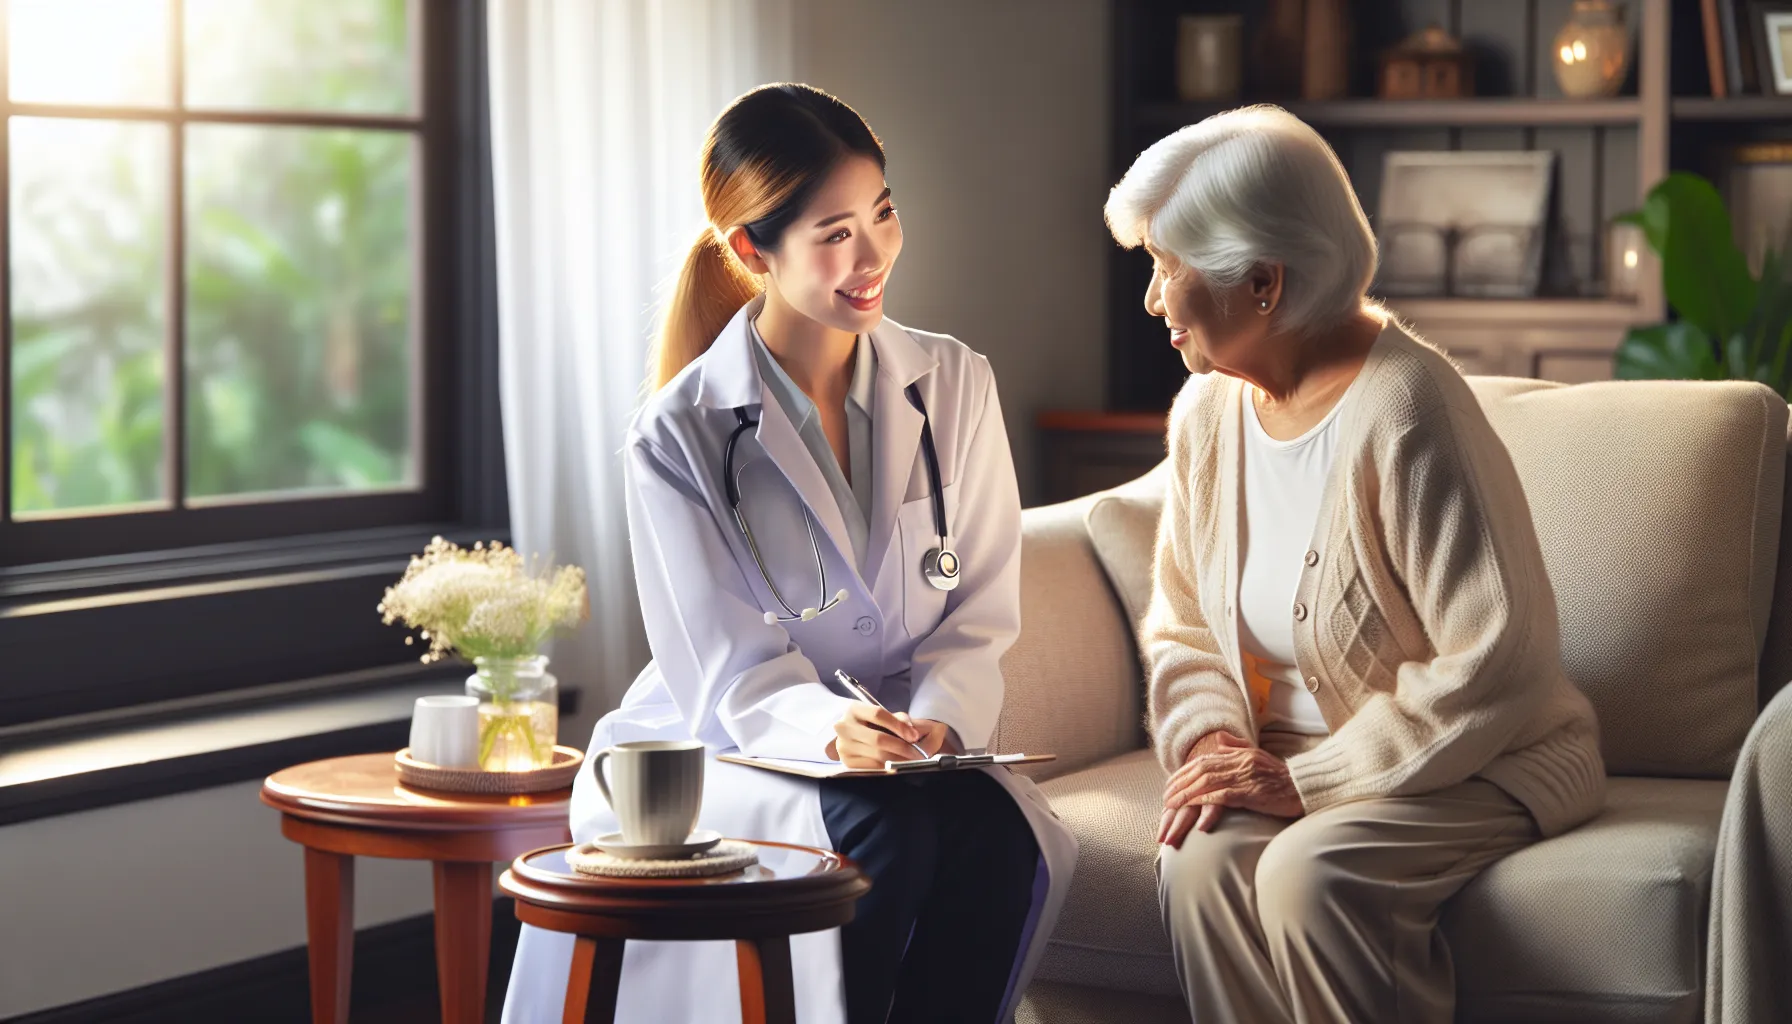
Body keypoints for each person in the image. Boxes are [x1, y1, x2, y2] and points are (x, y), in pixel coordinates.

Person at [502, 83, 1075, 1024]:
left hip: (906, 747)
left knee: (995, 833)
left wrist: (938, 723)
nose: (873, 254)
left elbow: (977, 613)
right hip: (737, 743)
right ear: (751, 251)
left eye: (883, 213)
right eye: (833, 232)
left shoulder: (956, 384)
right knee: (882, 836)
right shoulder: (677, 433)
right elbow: (731, 673)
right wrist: (828, 733)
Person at [1105, 105, 1606, 1023]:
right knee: (1198, 857)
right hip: (1289, 754)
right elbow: (1181, 621)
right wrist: (1218, 742)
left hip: (1488, 758)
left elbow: (1498, 661)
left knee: (1308, 873)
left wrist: (1311, 782)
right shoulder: (1207, 415)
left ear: (1262, 282)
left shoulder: (1409, 410)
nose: (1152, 300)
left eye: (1166, 270)